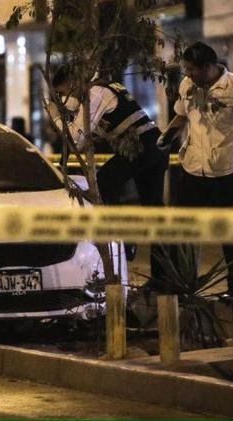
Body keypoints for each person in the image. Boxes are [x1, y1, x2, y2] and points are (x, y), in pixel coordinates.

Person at [157, 42, 233, 303]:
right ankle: (182, 286)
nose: (188, 74)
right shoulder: (187, 86)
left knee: (229, 233)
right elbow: (181, 116)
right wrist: (168, 135)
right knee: (184, 229)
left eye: (192, 69)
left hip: (227, 172)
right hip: (193, 169)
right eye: (186, 69)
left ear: (209, 67)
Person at [47, 66, 171, 279]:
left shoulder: (96, 93)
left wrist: (56, 116)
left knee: (104, 181)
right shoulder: (101, 90)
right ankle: (163, 279)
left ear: (73, 82)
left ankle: (125, 238)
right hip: (152, 148)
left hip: (142, 148)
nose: (62, 97)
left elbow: (77, 138)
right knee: (155, 213)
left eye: (62, 91)